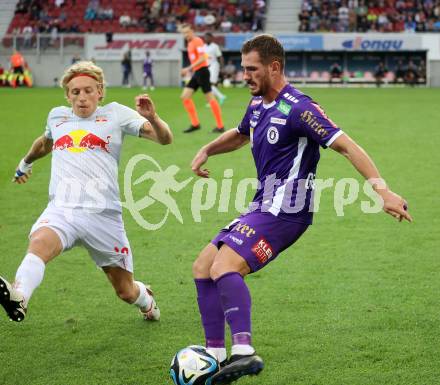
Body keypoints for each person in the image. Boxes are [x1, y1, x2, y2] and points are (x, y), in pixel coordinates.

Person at [190, 34, 412, 384]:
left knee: (224, 266)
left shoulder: (300, 107)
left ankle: (244, 353)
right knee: (203, 266)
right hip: (262, 204)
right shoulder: (258, 103)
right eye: (243, 68)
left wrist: (382, 191)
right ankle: (215, 355)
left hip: (287, 211)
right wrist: (207, 149)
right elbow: (240, 133)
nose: (243, 75)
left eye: (252, 69)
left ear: (274, 67)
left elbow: (347, 147)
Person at [0, 61, 173, 323]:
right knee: (38, 245)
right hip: (63, 210)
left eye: (88, 90)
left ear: (100, 91)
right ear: (68, 96)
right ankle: (19, 297)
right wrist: (25, 163)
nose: (82, 97)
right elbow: (45, 143)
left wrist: (152, 118)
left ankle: (146, 300)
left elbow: (164, 138)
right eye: (75, 92)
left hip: (103, 216)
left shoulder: (116, 114)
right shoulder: (57, 116)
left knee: (125, 291)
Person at [179, 24, 224, 134]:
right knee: (185, 97)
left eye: (187, 32)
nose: (186, 35)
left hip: (203, 72)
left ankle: (220, 126)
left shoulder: (197, 41)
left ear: (192, 31)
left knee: (210, 98)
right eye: (184, 33)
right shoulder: (189, 43)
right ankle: (195, 124)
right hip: (197, 72)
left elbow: (203, 57)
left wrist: (188, 68)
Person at [204, 32, 226, 105]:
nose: (206, 39)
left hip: (214, 66)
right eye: (205, 37)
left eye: (207, 37)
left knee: (210, 84)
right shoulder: (203, 46)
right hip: (206, 67)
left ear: (211, 38)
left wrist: (222, 68)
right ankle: (218, 98)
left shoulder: (215, 46)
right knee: (208, 84)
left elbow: (220, 57)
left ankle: (215, 99)